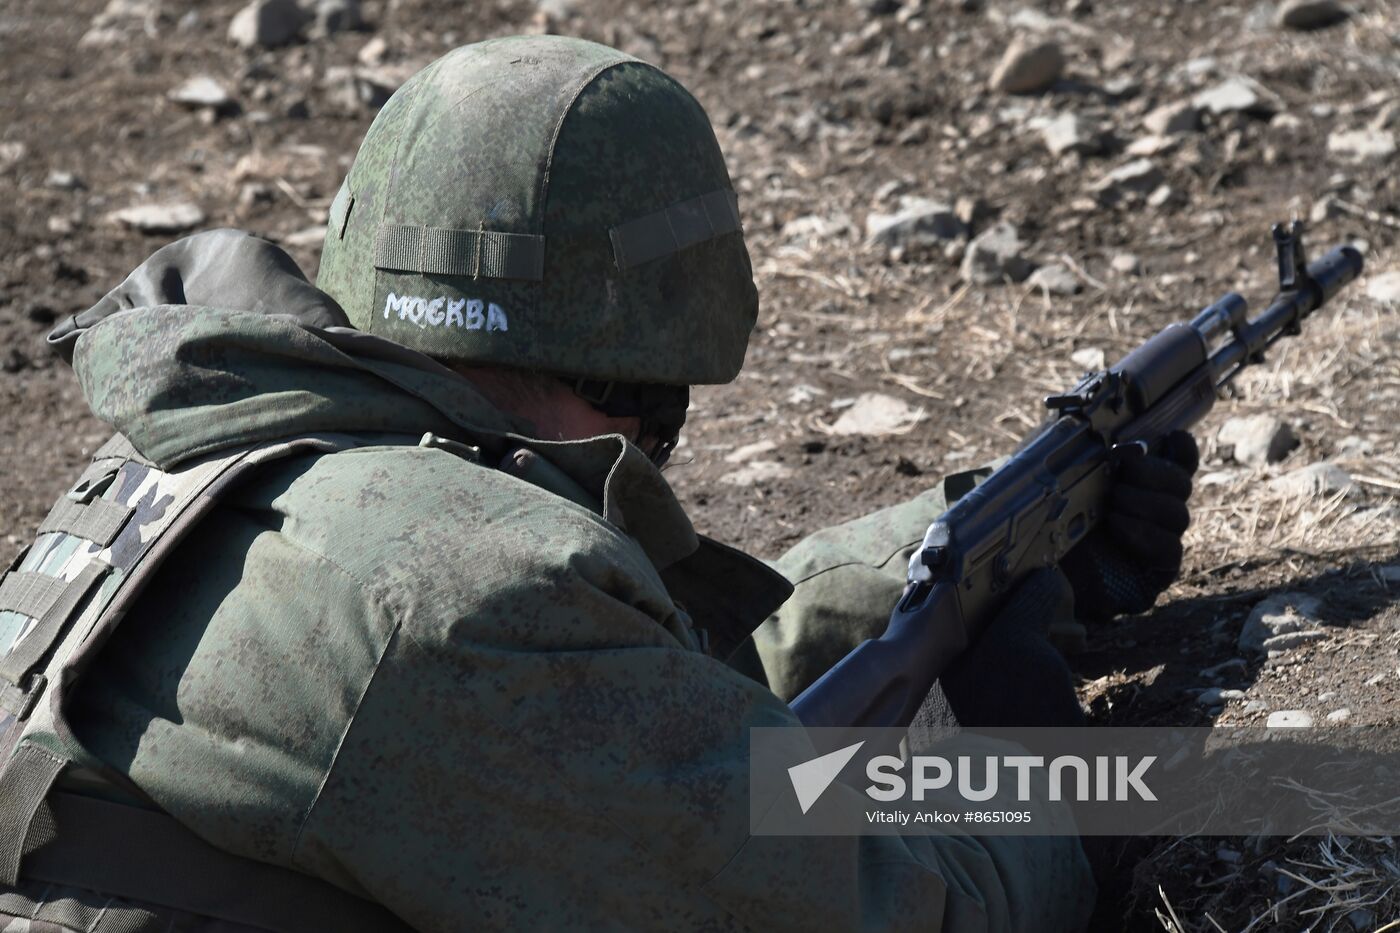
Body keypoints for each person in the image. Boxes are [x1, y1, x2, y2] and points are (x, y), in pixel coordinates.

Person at [0, 35, 1196, 933]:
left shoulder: (215, 461)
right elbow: (902, 910)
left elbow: (620, 704)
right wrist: (1033, 767)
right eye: (660, 408)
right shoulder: (461, 597)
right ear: (621, 374)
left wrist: (974, 539)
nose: (652, 450)